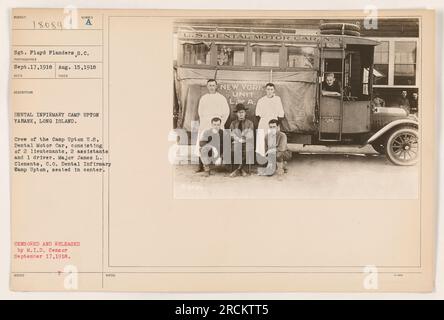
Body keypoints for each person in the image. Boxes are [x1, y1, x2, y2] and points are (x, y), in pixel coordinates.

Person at [195, 79, 230, 172]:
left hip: (217, 123)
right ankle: (201, 165)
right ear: (207, 86)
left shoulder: (221, 98)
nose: (211, 87)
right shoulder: (203, 98)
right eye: (210, 85)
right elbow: (200, 112)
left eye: (213, 85)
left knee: (218, 142)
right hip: (206, 122)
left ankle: (218, 163)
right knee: (202, 142)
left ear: (216, 86)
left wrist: (220, 124)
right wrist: (205, 122)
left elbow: (226, 112)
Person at [255, 83, 285, 158]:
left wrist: (275, 123)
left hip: (273, 123)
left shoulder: (277, 99)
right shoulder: (261, 100)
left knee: (273, 141)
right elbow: (257, 114)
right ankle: (261, 158)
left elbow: (281, 114)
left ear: (274, 90)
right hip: (263, 123)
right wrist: (265, 121)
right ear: (265, 90)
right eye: (268, 89)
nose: (270, 91)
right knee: (262, 140)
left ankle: (272, 159)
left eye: (271, 89)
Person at [229, 103, 255, 177]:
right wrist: (237, 139)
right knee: (235, 148)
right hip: (236, 142)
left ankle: (238, 170)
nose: (241, 114)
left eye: (242, 112)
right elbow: (231, 134)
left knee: (246, 149)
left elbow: (250, 134)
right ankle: (241, 169)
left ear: (245, 113)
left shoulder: (250, 123)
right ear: (236, 114)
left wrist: (243, 139)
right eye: (239, 112)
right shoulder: (233, 123)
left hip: (247, 142)